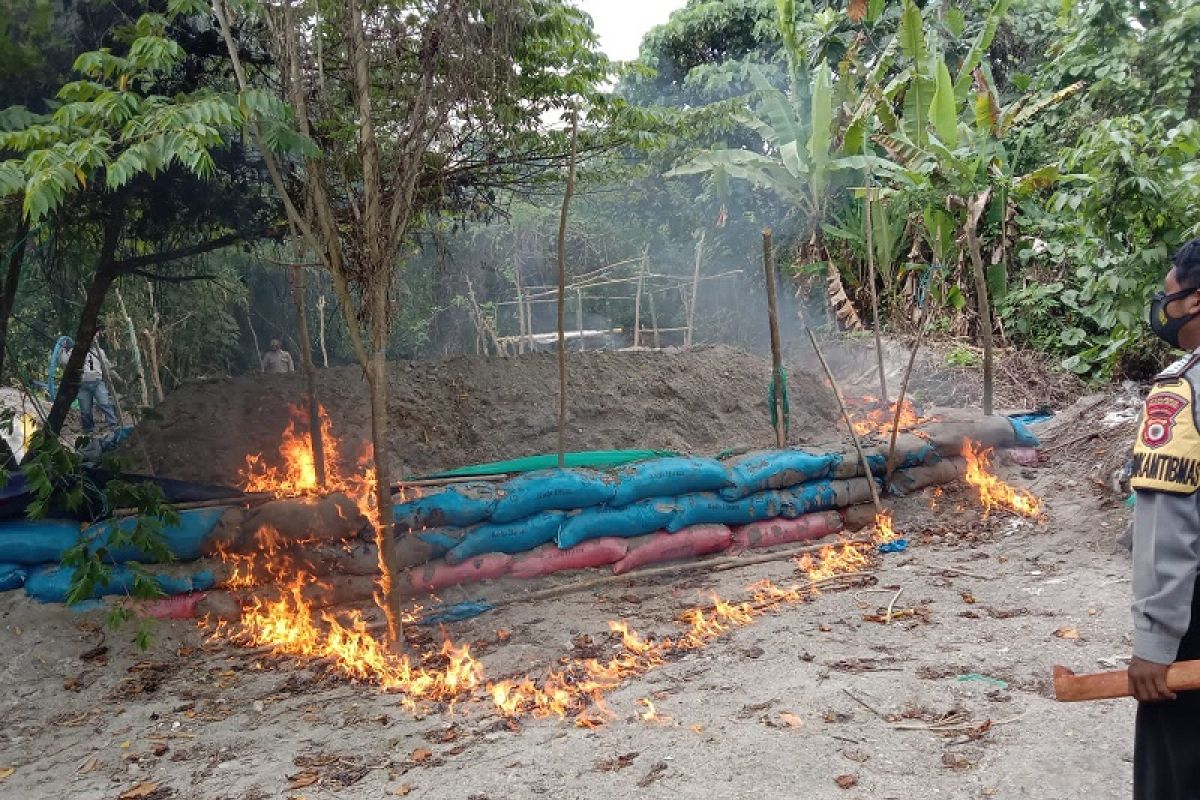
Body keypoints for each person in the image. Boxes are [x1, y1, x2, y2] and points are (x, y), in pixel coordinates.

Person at [1128, 236, 1200, 799]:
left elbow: (1169, 528)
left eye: (1170, 294)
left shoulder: (1179, 394)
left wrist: (1155, 642)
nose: (1164, 305)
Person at [58, 325, 121, 433]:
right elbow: (64, 361)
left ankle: (113, 425)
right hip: (83, 383)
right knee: (85, 409)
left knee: (104, 403)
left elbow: (107, 367)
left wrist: (118, 377)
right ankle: (88, 430)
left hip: (97, 381)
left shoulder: (99, 351)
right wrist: (62, 349)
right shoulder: (76, 351)